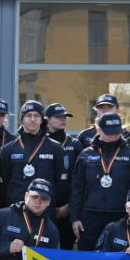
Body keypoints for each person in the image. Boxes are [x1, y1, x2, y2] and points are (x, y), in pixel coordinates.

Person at [70, 113, 130, 254]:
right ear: (99, 130)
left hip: (121, 216)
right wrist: (75, 218)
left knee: (119, 256)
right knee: (88, 257)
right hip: (91, 216)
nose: (113, 135)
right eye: (109, 132)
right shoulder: (86, 155)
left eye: (117, 132)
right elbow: (77, 188)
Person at [0, 101, 68, 213]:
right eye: (28, 115)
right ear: (22, 119)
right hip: (16, 209)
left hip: (45, 209)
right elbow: (5, 180)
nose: (32, 119)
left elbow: (60, 181)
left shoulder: (55, 147)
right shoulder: (8, 149)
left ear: (42, 119)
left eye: (37, 116)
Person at [44, 103, 79, 251]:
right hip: (44, 204)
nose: (63, 120)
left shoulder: (75, 144)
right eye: (58, 117)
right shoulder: (42, 143)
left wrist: (69, 206)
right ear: (47, 119)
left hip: (67, 206)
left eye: (65, 117)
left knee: (66, 248)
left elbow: (79, 179)